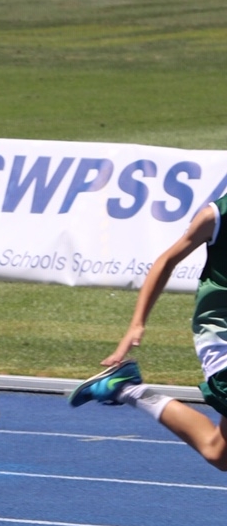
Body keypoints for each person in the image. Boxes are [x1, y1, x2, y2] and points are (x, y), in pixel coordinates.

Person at [68, 193, 227, 471]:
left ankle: (126, 389)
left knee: (219, 452)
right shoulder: (215, 216)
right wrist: (136, 325)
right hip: (222, 335)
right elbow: (166, 261)